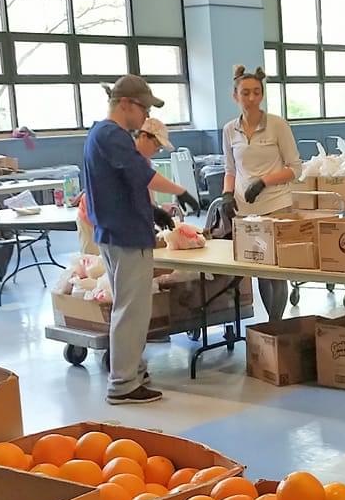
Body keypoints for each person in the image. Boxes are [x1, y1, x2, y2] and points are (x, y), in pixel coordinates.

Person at [83, 75, 200, 405]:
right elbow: (141, 174)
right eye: (143, 108)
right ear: (125, 104)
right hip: (125, 236)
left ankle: (133, 370)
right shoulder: (111, 135)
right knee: (131, 311)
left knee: (130, 307)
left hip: (119, 231)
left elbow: (123, 185)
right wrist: (181, 191)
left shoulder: (102, 135)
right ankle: (123, 383)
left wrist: (152, 212)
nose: (146, 115)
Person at [221, 65, 303, 322]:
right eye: (245, 93)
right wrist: (227, 194)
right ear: (235, 96)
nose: (252, 98)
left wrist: (263, 182)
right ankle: (270, 325)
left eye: (257, 92)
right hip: (246, 210)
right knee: (259, 269)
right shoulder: (229, 130)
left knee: (276, 271)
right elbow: (230, 169)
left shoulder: (277, 125)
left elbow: (295, 168)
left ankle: (275, 325)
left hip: (276, 204)